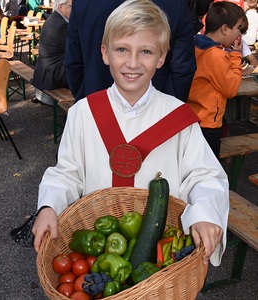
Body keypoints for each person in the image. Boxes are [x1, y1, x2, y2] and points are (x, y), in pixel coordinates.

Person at [33, 0, 229, 267]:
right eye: (122, 49)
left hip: (161, 261)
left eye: (146, 51)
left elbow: (204, 176)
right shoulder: (84, 113)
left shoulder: (179, 118)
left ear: (162, 57)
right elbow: (67, 173)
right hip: (97, 252)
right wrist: (49, 206)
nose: (133, 63)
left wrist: (206, 213)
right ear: (105, 53)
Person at [64, 0, 196, 103]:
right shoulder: (176, 4)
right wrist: (169, 107)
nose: (132, 64)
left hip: (95, 105)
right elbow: (183, 67)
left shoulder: (83, 3)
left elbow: (73, 62)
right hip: (156, 118)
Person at [187, 1, 246, 158]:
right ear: (225, 29)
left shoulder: (195, 45)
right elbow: (231, 88)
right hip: (208, 124)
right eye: (238, 29)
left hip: (191, 117)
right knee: (207, 171)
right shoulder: (216, 56)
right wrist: (236, 56)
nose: (239, 35)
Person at [32, 0, 71, 105]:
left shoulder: (54, 19)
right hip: (52, 75)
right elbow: (76, 49)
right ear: (60, 7)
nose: (75, 10)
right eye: (72, 6)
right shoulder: (60, 25)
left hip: (46, 72)